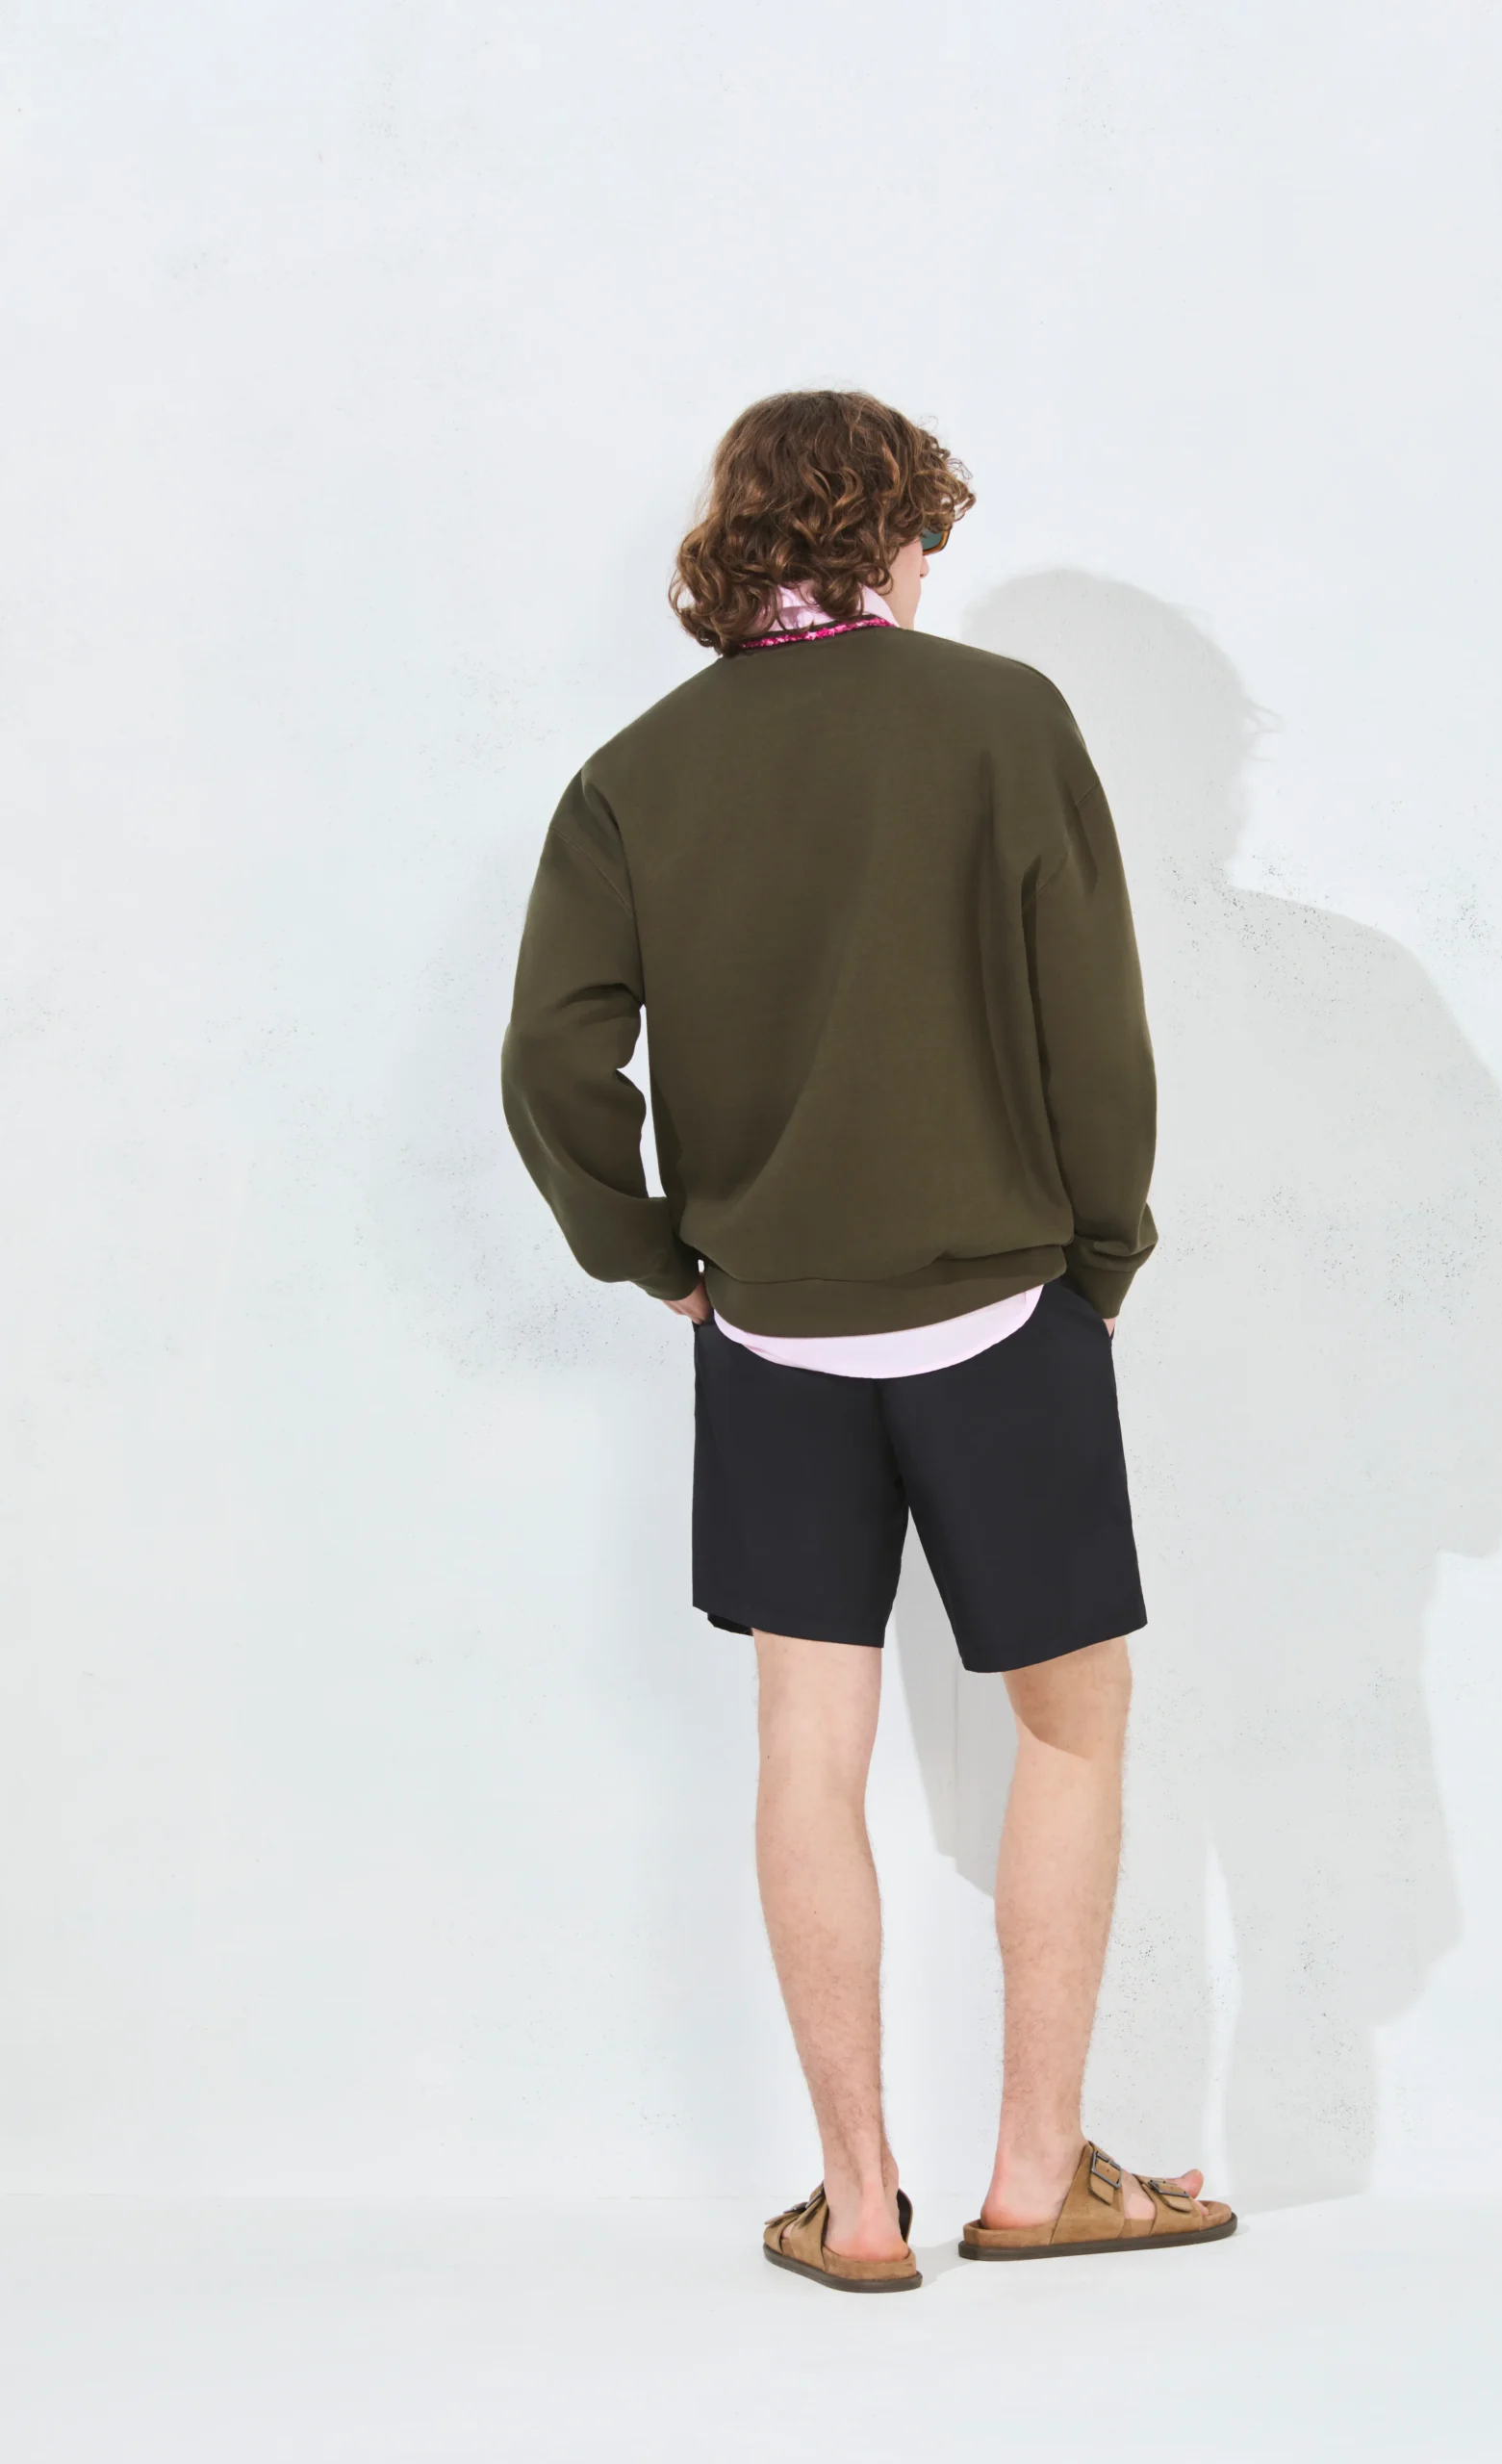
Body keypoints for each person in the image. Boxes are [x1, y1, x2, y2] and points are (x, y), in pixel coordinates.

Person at [500, 390, 1234, 2292]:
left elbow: (551, 1066)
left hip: (770, 1333)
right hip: (1003, 1307)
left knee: (805, 1748)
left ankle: (853, 2203)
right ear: (891, 532)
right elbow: (1096, 1032)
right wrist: (1101, 1255)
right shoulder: (1003, 720)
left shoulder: (635, 775)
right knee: (1070, 1722)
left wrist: (651, 1254)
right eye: (928, 537)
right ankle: (1036, 2172)